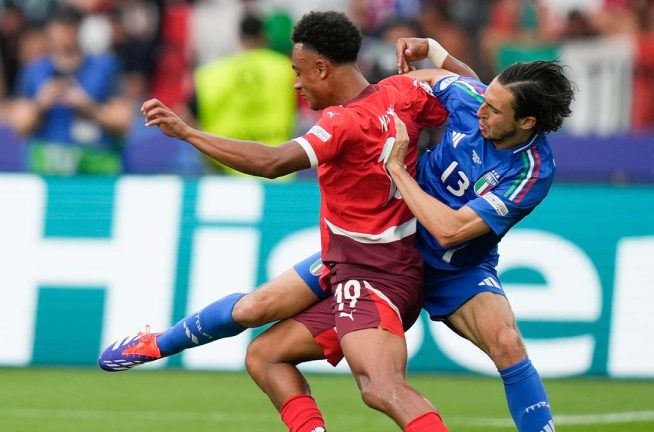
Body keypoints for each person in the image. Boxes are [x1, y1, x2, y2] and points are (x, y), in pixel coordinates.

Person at [99, 35, 572, 432]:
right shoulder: (473, 101)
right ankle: (158, 343)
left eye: (301, 72)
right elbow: (447, 85)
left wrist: (397, 171)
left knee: (496, 347)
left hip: (449, 266)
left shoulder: (532, 171)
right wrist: (434, 51)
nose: (481, 109)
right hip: (378, 245)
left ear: (527, 123)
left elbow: (450, 231)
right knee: (259, 328)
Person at [14, 5, 132, 175]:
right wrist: (40, 103)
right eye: (61, 28)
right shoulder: (35, 70)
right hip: (49, 166)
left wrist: (88, 106)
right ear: (49, 31)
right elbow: (19, 126)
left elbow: (123, 122)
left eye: (71, 27)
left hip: (96, 163)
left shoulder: (104, 66)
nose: (66, 34)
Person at [191, 13, 297, 175]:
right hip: (277, 168)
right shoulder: (286, 69)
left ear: (239, 38)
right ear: (265, 37)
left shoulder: (213, 73)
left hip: (227, 166)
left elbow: (187, 114)